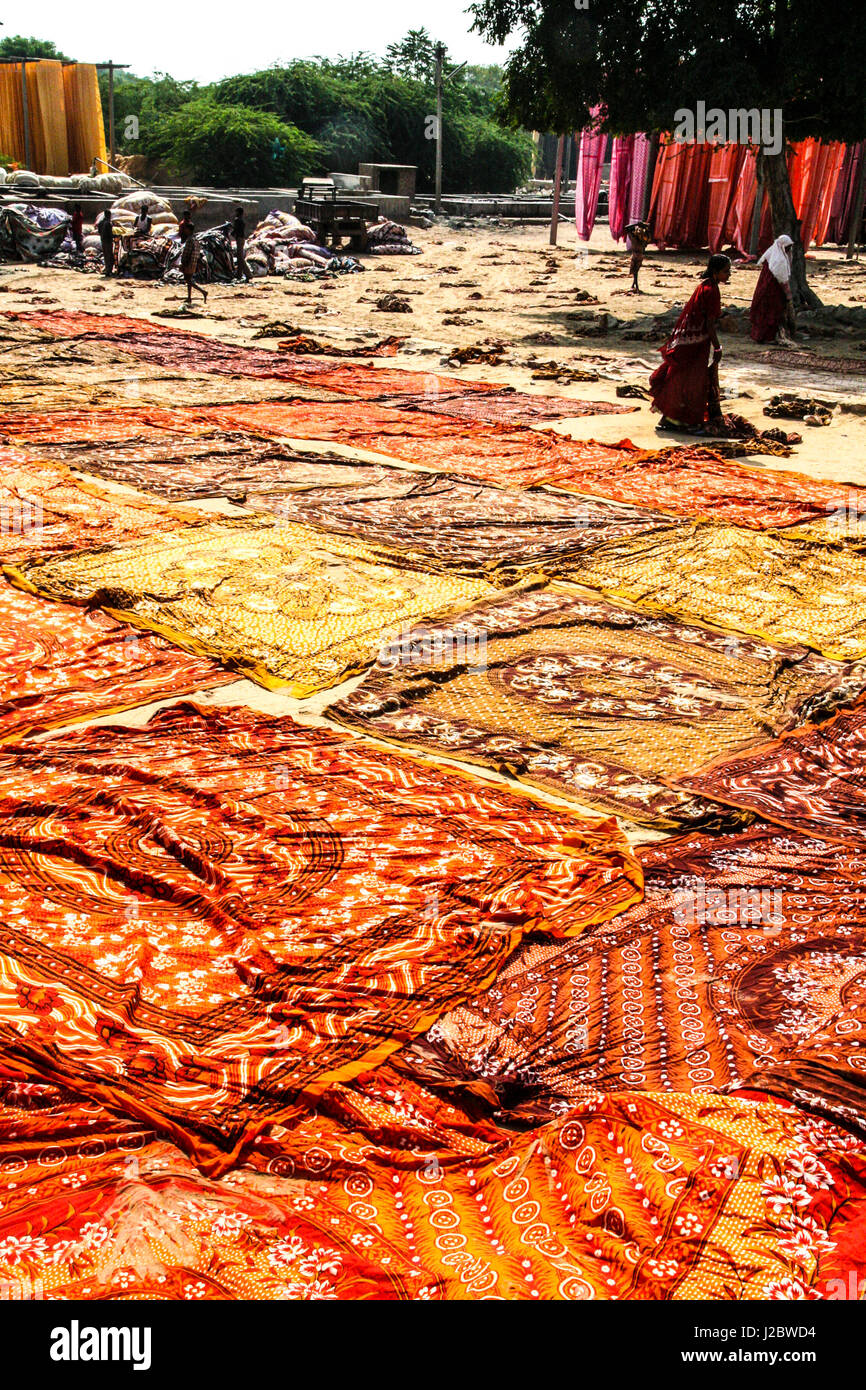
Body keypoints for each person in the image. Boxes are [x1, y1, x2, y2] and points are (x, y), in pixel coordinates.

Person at [649, 253, 731, 434]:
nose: (729, 275)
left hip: (689, 341)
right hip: (696, 344)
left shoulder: (705, 286)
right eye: (726, 271)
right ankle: (687, 422)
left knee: (680, 379)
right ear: (716, 272)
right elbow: (709, 323)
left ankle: (671, 418)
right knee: (694, 382)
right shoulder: (711, 290)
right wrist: (717, 347)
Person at [749, 233, 795, 342]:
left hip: (766, 287)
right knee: (770, 312)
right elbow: (782, 279)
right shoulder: (780, 260)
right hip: (773, 290)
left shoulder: (772, 254)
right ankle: (766, 337)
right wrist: (788, 293)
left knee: (765, 312)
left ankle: (760, 336)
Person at [180, 230, 208, 304]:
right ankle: (189, 297)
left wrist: (183, 262)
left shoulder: (189, 240)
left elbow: (187, 252)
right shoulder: (196, 240)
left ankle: (203, 292)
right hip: (193, 263)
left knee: (188, 280)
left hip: (188, 263)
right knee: (189, 280)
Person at [624, 219, 651, 293]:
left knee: (635, 271)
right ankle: (634, 284)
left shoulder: (633, 238)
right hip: (640, 255)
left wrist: (636, 225)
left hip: (635, 255)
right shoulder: (643, 240)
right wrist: (644, 226)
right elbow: (648, 235)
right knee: (636, 271)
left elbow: (626, 228)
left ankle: (635, 284)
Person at [232, 206, 251, 282]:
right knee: (239, 257)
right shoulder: (242, 220)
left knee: (240, 257)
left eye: (236, 212)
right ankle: (239, 274)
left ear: (238, 212)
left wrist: (230, 233)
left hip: (239, 239)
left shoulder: (237, 220)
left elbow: (236, 230)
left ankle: (248, 274)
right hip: (242, 238)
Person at [98, 208, 115, 276]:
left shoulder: (101, 223)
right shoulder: (108, 223)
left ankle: (107, 269)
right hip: (108, 241)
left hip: (103, 240)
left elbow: (99, 231)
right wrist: (115, 236)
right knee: (110, 256)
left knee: (106, 256)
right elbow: (110, 234)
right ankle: (109, 271)